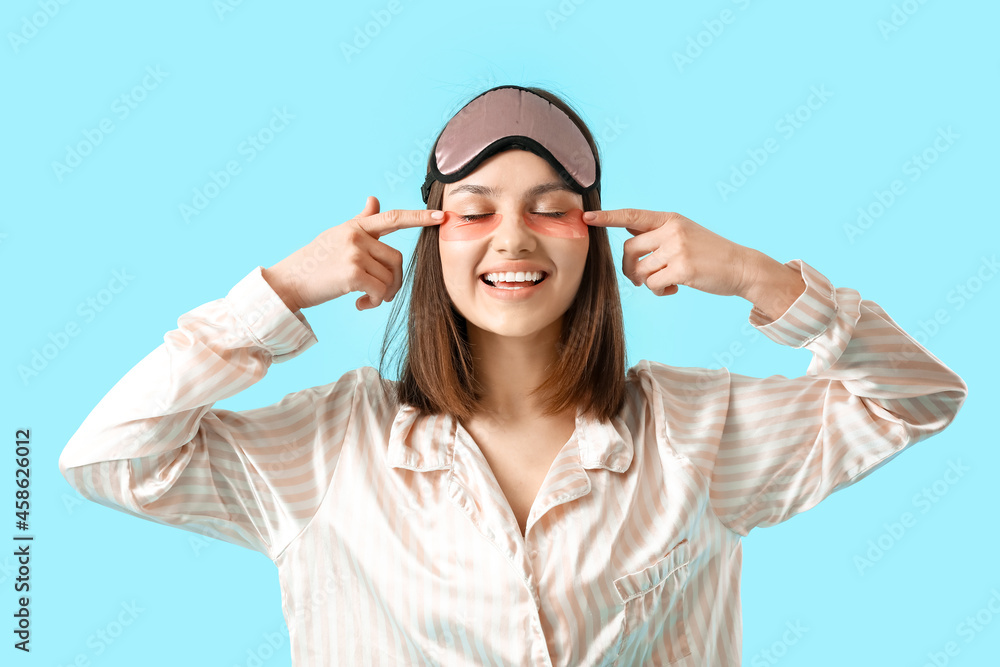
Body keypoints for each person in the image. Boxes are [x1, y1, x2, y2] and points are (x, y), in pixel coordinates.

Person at [59, 84, 968, 666]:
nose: (513, 238)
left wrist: (756, 277)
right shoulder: (335, 445)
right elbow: (108, 456)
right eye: (473, 210)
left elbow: (920, 397)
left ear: (599, 238)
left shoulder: (696, 430)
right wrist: (283, 291)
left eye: (553, 208)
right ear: (427, 237)